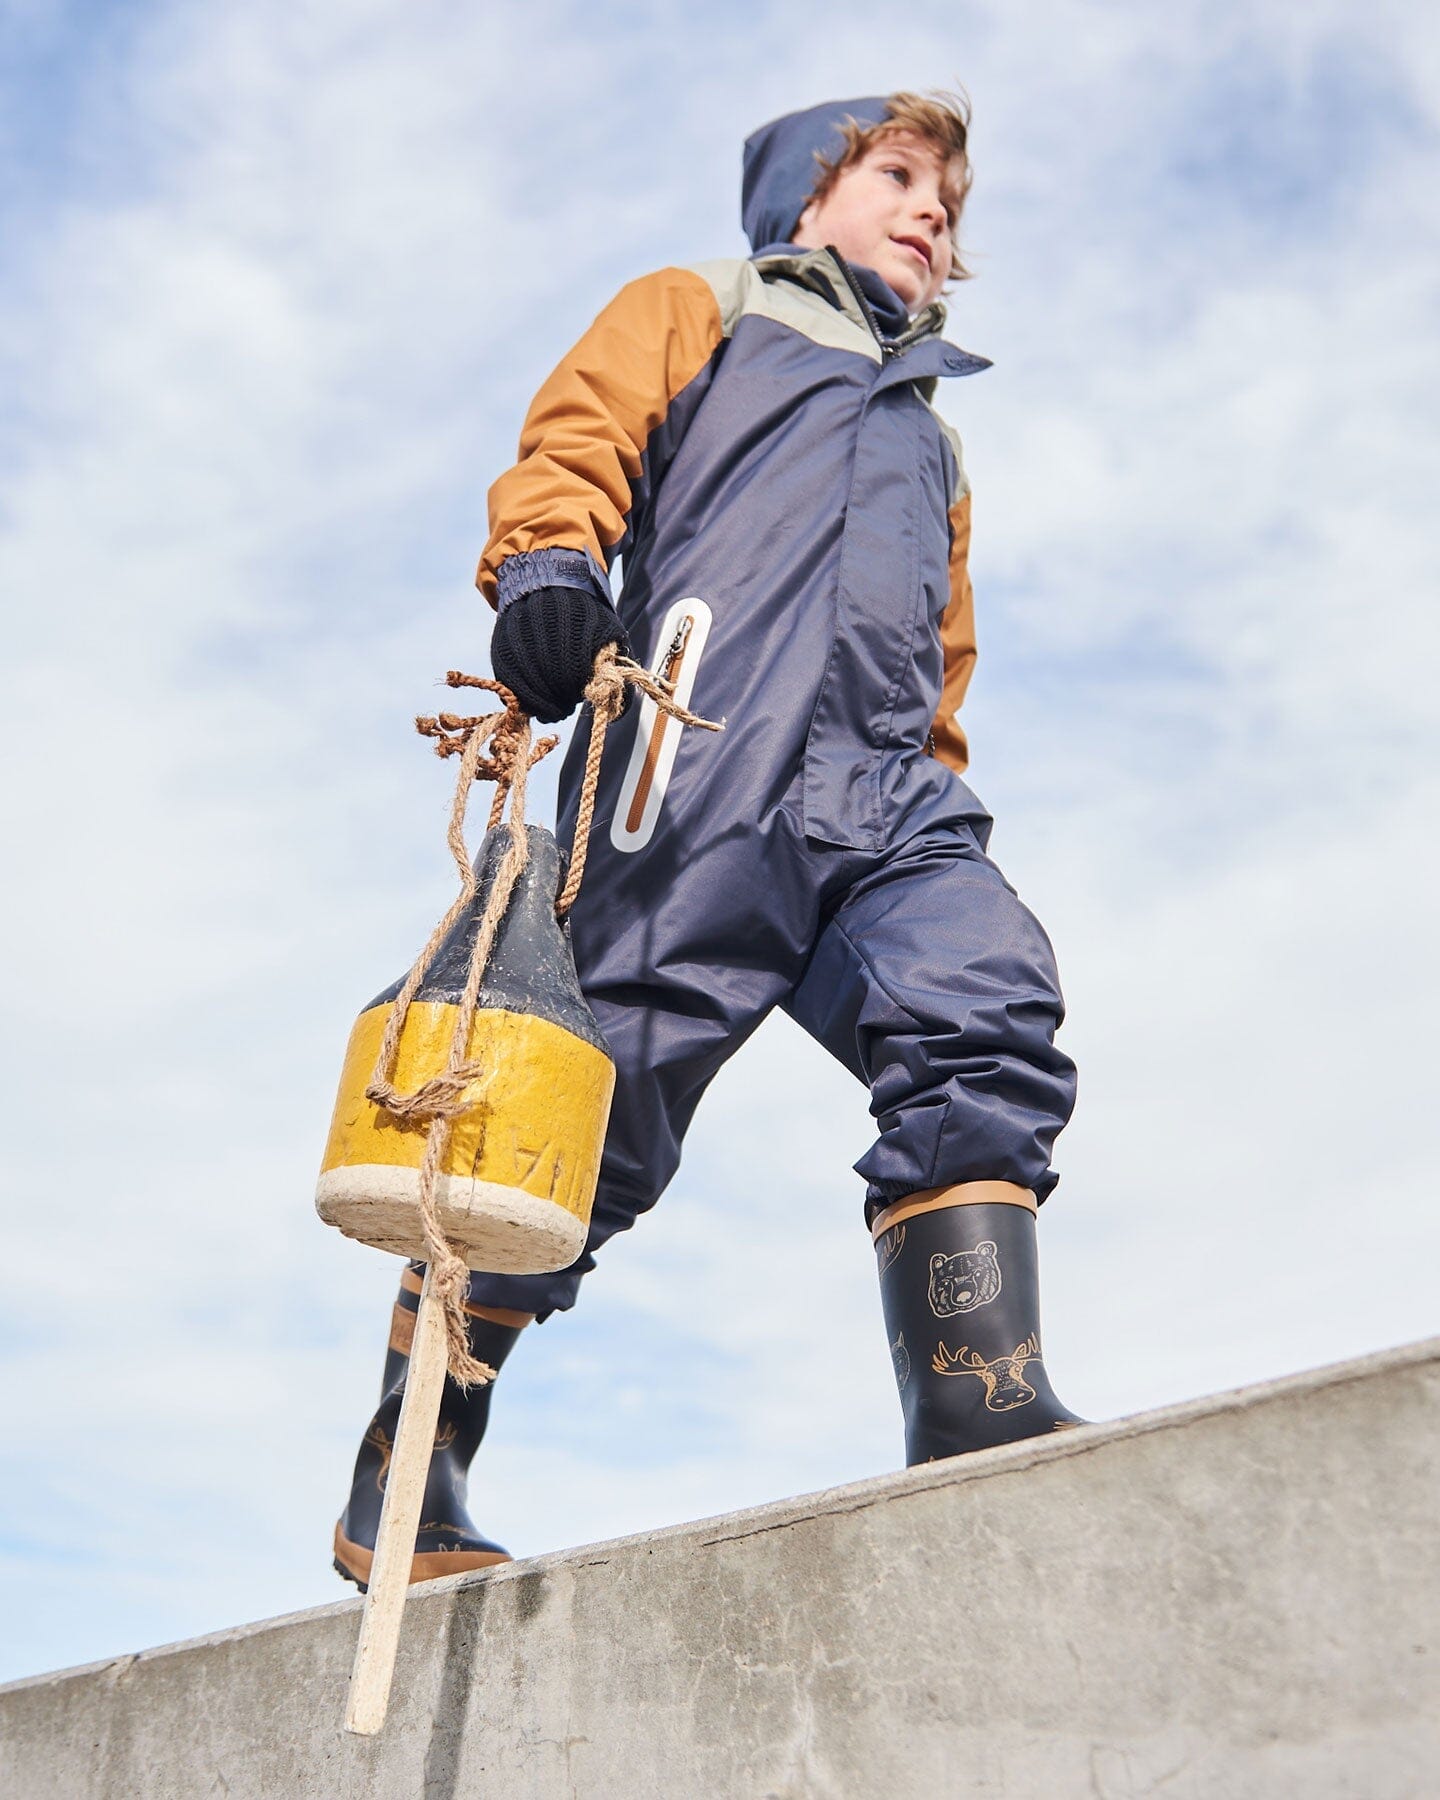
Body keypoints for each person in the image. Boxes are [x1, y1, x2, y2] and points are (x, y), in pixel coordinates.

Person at [334, 90, 1083, 1592]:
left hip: (884, 807)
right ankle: (406, 1487)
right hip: (689, 779)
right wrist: (547, 568)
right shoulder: (705, 308)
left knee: (983, 997)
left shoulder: (932, 438)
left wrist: (935, 787)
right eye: (902, 177)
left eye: (951, 201)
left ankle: (974, 1404)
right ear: (812, 194)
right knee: (577, 1132)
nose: (936, 213)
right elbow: (577, 442)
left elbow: (946, 658)